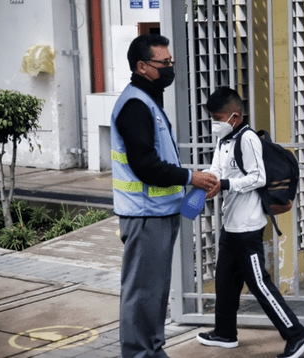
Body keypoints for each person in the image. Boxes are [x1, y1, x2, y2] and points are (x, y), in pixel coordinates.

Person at [111, 34, 217, 358]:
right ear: (142, 66)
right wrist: (190, 177)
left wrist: (186, 179)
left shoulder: (148, 101)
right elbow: (144, 165)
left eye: (171, 61)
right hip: (144, 216)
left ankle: (153, 350)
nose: (170, 68)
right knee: (142, 294)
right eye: (164, 63)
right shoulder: (134, 106)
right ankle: (139, 354)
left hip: (158, 214)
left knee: (155, 294)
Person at [195, 87, 304, 358]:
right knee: (225, 281)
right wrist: (208, 178)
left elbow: (258, 177)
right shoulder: (224, 141)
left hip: (248, 227)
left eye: (218, 117)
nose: (214, 123)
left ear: (234, 116)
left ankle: (297, 335)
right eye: (212, 118)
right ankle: (224, 333)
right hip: (231, 224)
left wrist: (225, 184)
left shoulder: (248, 139)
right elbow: (217, 168)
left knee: (260, 284)